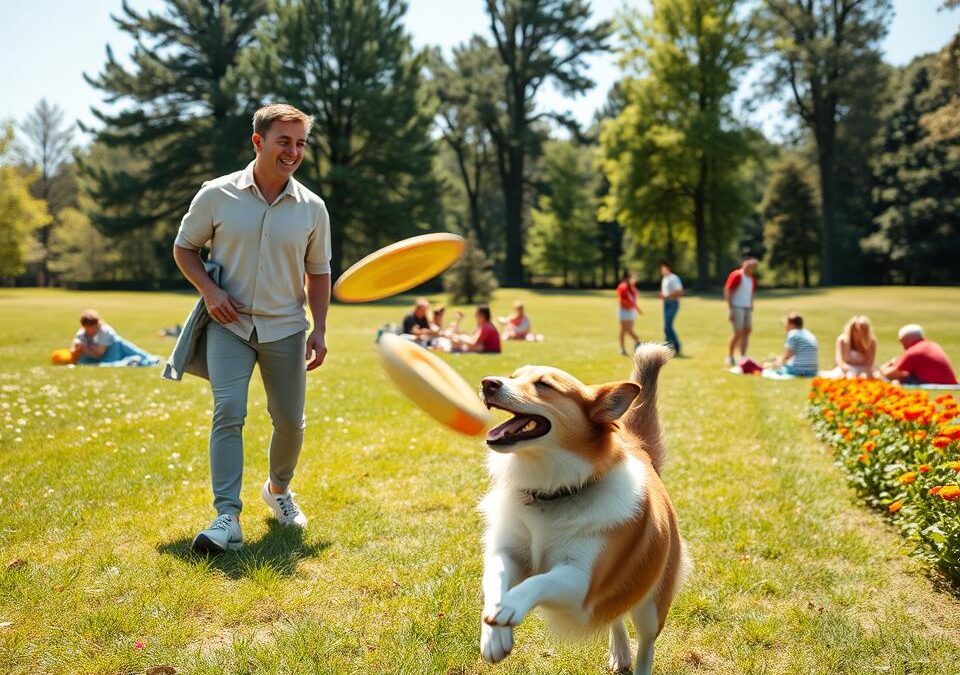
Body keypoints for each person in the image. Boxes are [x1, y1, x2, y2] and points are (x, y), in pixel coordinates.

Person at [172, 103, 331, 554]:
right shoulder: (216, 195)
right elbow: (184, 249)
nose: (294, 152)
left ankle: (278, 491)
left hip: (286, 328)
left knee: (290, 422)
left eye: (300, 143)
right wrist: (209, 291)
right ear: (258, 142)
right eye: (285, 141)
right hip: (230, 324)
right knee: (228, 411)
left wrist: (319, 329)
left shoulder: (313, 208)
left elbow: (318, 273)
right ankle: (227, 516)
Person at [70, 309, 160, 366]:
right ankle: (134, 361)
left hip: (115, 347)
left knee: (143, 355)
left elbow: (99, 354)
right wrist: (77, 349)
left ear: (97, 324)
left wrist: (85, 349)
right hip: (103, 355)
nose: (90, 331)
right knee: (86, 363)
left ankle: (145, 360)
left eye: (91, 328)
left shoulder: (105, 331)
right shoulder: (82, 333)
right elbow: (74, 354)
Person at [880, 324, 958, 385]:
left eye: (901, 341)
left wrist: (887, 365)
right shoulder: (932, 345)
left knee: (895, 380)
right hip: (948, 383)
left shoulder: (914, 351)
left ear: (907, 339)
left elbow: (890, 374)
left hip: (936, 384)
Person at [724, 256, 758, 366]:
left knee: (747, 330)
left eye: (752, 267)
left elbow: (751, 293)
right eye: (748, 266)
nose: (749, 269)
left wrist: (751, 305)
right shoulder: (737, 275)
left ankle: (743, 356)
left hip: (747, 307)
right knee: (737, 332)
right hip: (736, 306)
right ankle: (730, 356)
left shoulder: (751, 279)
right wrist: (730, 309)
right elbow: (728, 290)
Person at [770, 312, 819, 376]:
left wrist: (778, 361)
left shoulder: (793, 333)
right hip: (813, 370)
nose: (785, 326)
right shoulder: (809, 334)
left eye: (786, 324)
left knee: (777, 368)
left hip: (799, 370)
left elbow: (788, 355)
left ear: (792, 325)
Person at [658, 261, 683, 355]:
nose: (662, 271)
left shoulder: (674, 278)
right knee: (666, 327)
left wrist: (667, 296)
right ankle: (667, 347)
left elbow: (680, 291)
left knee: (668, 325)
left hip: (673, 303)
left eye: (663, 268)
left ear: (668, 268)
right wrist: (663, 295)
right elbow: (665, 292)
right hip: (666, 304)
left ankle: (676, 346)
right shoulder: (664, 279)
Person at [616, 270, 643, 356]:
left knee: (628, 330)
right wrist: (628, 305)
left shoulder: (632, 288)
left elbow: (633, 301)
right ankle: (637, 342)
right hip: (624, 311)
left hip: (631, 311)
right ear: (628, 278)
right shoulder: (622, 287)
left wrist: (637, 309)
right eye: (633, 278)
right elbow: (621, 300)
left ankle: (637, 343)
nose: (635, 280)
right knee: (625, 330)